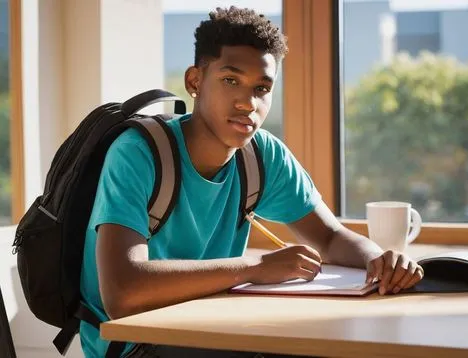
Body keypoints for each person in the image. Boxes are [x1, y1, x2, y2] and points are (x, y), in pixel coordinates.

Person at [79, 6, 424, 358]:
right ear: (195, 81)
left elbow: (330, 237)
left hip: (211, 327)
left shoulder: (262, 156)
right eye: (231, 81)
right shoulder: (138, 153)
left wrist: (380, 260)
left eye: (262, 88)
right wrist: (256, 268)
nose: (248, 103)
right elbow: (122, 293)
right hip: (136, 345)